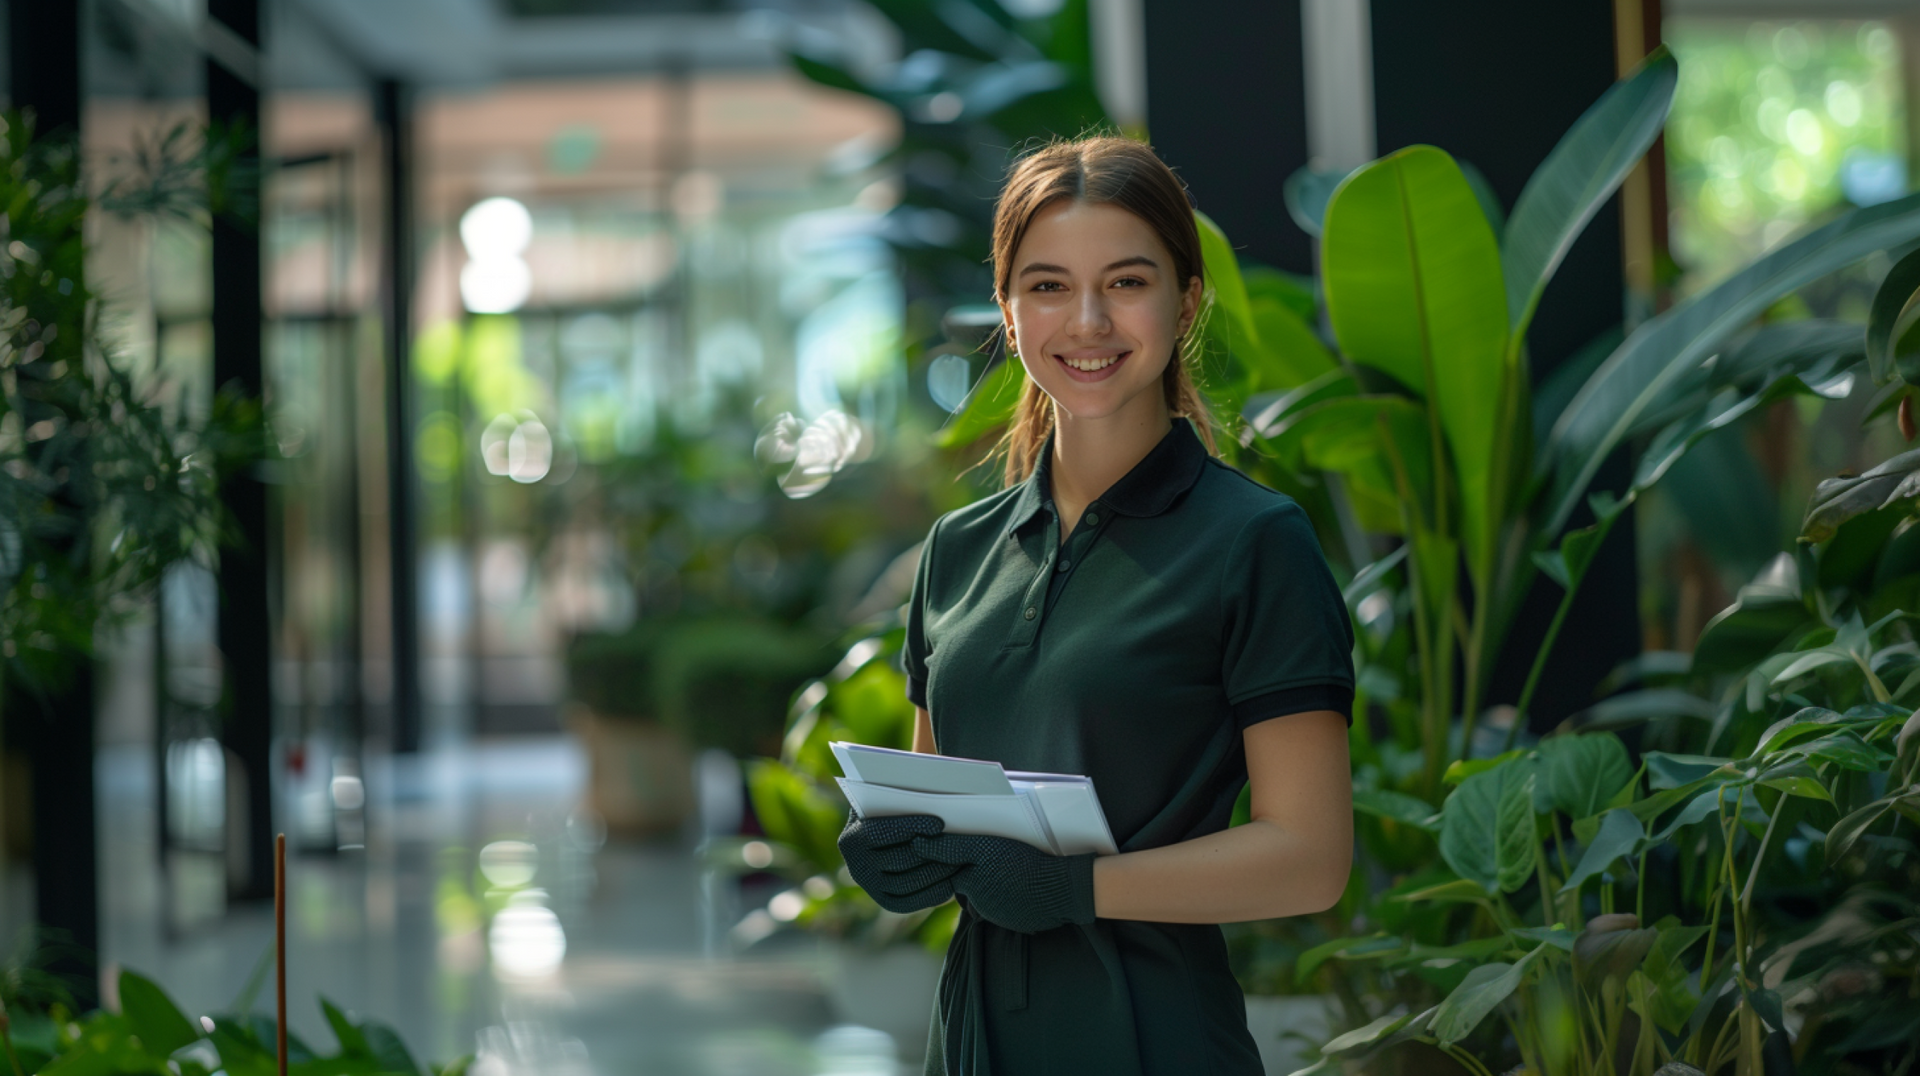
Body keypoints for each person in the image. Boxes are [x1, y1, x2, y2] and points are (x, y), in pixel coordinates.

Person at [838, 134, 1357, 1075]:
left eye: (1125, 282)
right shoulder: (958, 552)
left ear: (1185, 299)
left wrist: (1078, 887)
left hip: (1152, 1037)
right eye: (1046, 286)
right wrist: (896, 852)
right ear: (1005, 308)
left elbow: (1311, 857)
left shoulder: (1254, 542)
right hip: (974, 1041)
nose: (1087, 320)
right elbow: (943, 809)